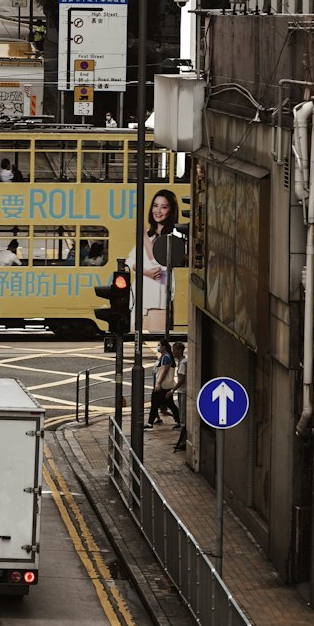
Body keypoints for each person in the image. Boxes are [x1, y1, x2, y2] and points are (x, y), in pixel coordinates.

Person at [126, 188, 182, 334]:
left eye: (164, 207)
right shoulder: (149, 237)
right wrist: (145, 272)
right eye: (155, 206)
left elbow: (157, 262)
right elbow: (130, 261)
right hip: (139, 299)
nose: (158, 210)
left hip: (158, 301)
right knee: (134, 341)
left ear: (171, 210)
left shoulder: (173, 237)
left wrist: (143, 236)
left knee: (158, 343)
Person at [148, 339, 178, 428]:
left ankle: (150, 423)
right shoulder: (163, 356)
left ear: (164, 346)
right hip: (160, 386)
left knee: (156, 404)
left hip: (161, 386)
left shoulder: (166, 357)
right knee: (168, 404)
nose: (158, 347)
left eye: (159, 345)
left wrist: (158, 383)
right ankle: (178, 421)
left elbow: (164, 371)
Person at [172, 342, 188, 449]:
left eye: (174, 350)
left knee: (183, 418)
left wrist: (172, 390)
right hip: (184, 391)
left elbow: (182, 379)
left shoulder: (182, 363)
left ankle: (183, 442)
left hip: (183, 392)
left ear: (178, 351)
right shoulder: (183, 361)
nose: (173, 352)